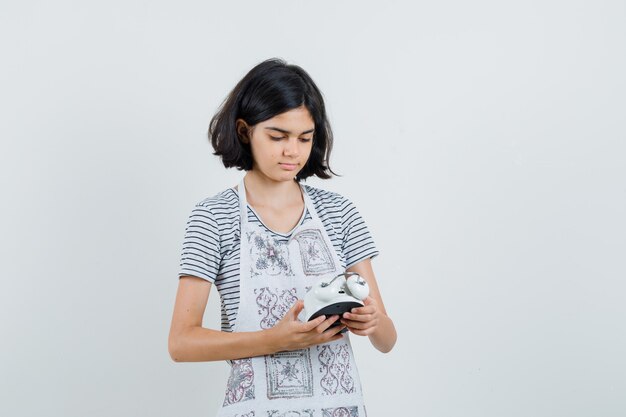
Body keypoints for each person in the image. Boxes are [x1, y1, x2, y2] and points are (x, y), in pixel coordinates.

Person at [168, 58, 397, 417]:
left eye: (305, 138)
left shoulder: (340, 212)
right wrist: (273, 340)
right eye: (278, 136)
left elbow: (387, 340)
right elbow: (181, 343)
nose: (293, 151)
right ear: (245, 131)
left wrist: (373, 322)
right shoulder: (213, 217)